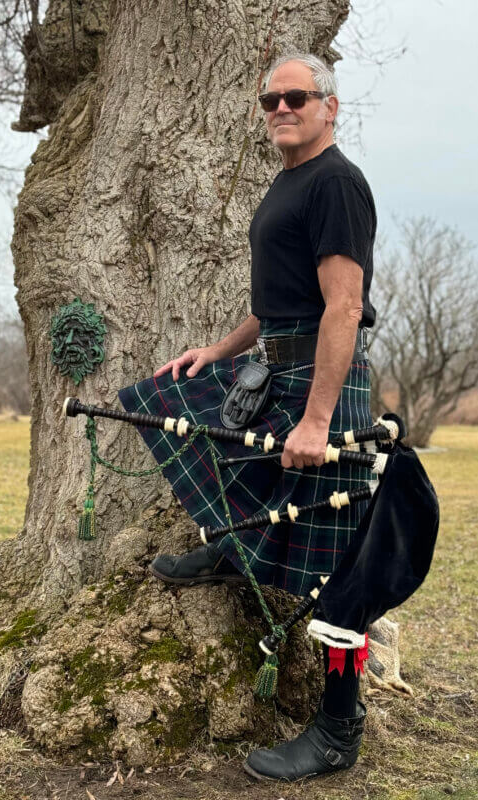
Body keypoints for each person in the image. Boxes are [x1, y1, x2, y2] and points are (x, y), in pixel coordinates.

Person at [118, 51, 377, 782]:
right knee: (164, 402)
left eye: (296, 97)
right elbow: (273, 303)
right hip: (277, 360)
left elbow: (344, 307)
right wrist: (217, 348)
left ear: (329, 106)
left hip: (320, 376)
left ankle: (335, 726)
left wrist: (318, 419)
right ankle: (233, 550)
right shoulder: (289, 182)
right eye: (269, 100)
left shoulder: (336, 183)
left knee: (334, 564)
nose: (280, 109)